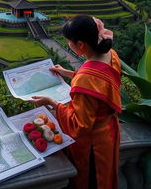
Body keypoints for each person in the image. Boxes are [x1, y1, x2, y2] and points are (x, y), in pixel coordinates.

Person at [30, 15, 122, 189]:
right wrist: (69, 73)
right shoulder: (111, 55)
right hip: (109, 131)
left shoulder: (85, 78)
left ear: (80, 45)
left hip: (93, 145)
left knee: (93, 181)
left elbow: (80, 125)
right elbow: (99, 82)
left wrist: (52, 103)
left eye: (69, 42)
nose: (67, 45)